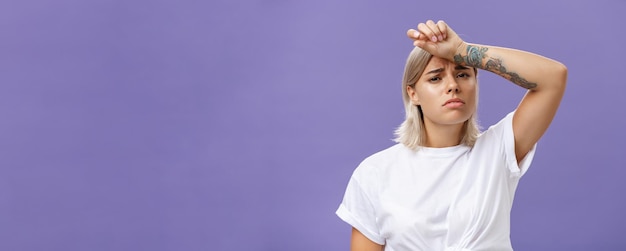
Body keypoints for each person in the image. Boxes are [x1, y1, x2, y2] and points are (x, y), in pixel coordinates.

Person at [336, 20, 567, 251]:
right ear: (413, 93)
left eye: (463, 75)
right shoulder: (375, 172)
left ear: (475, 83)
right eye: (435, 78)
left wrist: (462, 51)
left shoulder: (498, 150)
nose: (453, 85)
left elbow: (553, 77)